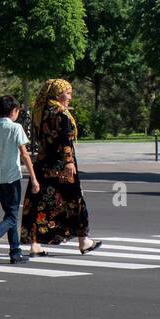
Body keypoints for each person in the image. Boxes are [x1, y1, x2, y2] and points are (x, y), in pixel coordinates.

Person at [22, 78, 102, 256]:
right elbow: (65, 139)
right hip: (61, 165)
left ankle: (34, 244)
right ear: (58, 95)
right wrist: (69, 161)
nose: (70, 97)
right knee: (75, 201)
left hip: (43, 164)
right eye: (68, 93)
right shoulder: (61, 113)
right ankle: (83, 241)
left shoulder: (41, 112)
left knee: (39, 203)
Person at [0, 95, 40, 264]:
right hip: (12, 178)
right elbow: (25, 154)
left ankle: (15, 252)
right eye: (17, 111)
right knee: (12, 217)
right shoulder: (16, 128)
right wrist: (34, 179)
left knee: (9, 214)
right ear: (13, 111)